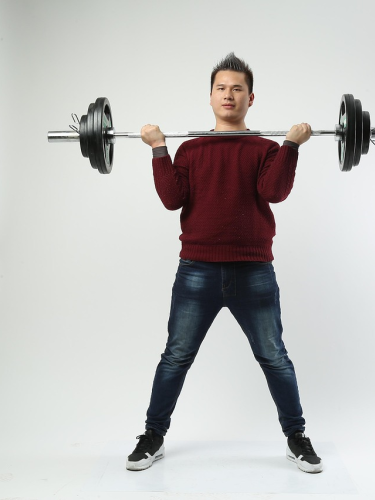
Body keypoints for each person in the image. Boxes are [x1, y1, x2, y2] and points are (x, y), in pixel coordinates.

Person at [126, 53, 322, 474]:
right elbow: (172, 199)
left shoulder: (266, 149)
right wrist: (159, 148)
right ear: (211, 97)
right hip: (197, 270)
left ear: (250, 98)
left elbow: (274, 192)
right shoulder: (191, 149)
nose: (228, 94)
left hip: (254, 271)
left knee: (274, 356)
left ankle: (296, 437)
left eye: (237, 88)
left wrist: (290, 146)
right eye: (221, 88)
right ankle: (152, 436)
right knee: (176, 356)